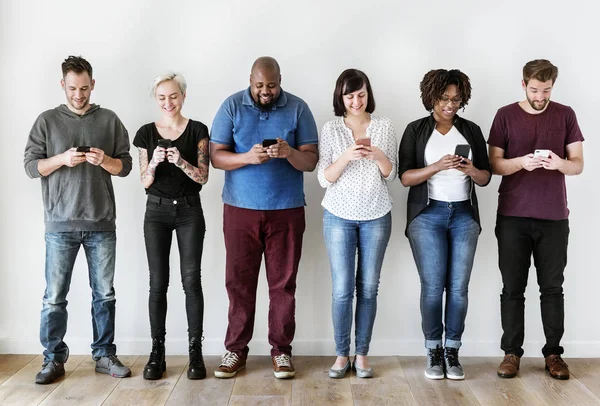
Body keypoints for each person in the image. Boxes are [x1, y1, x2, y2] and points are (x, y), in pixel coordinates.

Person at [23, 55, 132, 384]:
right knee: (54, 296)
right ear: (63, 85)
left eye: (84, 88)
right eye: (72, 88)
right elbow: (31, 167)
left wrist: (105, 160)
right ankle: (53, 359)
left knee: (105, 294)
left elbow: (125, 166)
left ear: (93, 84)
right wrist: (61, 158)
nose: (79, 94)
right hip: (60, 224)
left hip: (102, 223)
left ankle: (104, 355)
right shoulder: (46, 121)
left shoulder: (109, 120)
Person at [210, 56, 318, 379]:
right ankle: (235, 350)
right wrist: (246, 157)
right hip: (240, 211)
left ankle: (281, 352)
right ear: (250, 80)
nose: (266, 91)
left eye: (271, 85)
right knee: (239, 283)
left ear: (280, 80)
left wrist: (289, 153)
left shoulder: (298, 108)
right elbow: (216, 157)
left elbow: (310, 161)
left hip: (286, 210)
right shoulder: (231, 106)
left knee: (283, 285)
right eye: (259, 85)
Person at [489, 59, 584, 380]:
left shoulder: (565, 114)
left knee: (552, 288)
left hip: (554, 217)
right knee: (512, 288)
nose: (540, 96)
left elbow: (578, 164)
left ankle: (554, 354)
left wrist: (558, 162)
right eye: (534, 90)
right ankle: (511, 353)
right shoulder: (505, 115)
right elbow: (494, 166)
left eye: (546, 90)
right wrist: (521, 163)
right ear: (523, 84)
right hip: (512, 216)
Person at [398, 69, 491, 380]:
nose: (450, 105)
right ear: (431, 98)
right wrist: (437, 166)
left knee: (459, 289)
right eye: (443, 99)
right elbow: (405, 177)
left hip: (464, 215)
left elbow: (486, 177)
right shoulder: (415, 130)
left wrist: (469, 168)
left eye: (455, 99)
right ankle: (433, 350)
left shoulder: (471, 130)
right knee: (433, 287)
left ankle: (452, 350)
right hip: (427, 215)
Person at [317, 69, 396, 379]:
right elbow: (324, 178)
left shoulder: (385, 126)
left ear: (368, 93)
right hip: (338, 215)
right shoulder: (331, 128)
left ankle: (361, 354)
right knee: (341, 290)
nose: (356, 101)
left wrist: (376, 154)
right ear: (341, 97)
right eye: (350, 95)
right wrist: (347, 156)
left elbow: (391, 174)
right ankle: (341, 354)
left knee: (368, 288)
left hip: (376, 214)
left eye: (361, 94)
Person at [133, 72, 210, 380]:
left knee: (191, 281)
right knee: (157, 282)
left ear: (183, 96)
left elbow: (203, 177)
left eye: (174, 96)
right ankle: (157, 353)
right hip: (156, 212)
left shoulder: (198, 131)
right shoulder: (145, 133)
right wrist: (154, 161)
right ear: (156, 99)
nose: (168, 102)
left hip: (190, 210)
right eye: (162, 97)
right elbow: (144, 180)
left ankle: (195, 353)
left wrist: (179, 161)